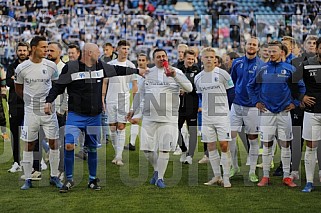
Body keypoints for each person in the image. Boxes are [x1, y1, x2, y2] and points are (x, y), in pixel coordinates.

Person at [45, 43, 146, 193]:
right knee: (68, 145)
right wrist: (49, 100)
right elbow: (58, 86)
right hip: (75, 115)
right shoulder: (71, 67)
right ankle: (69, 179)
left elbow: (118, 70)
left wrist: (138, 70)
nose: (100, 56)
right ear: (89, 53)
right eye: (97, 53)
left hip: (94, 116)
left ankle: (92, 180)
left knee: (92, 148)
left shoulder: (101, 66)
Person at [129, 48, 192, 188]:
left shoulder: (176, 72)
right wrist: (133, 110)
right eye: (158, 56)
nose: (162, 58)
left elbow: (189, 88)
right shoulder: (148, 73)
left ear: (167, 57)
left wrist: (175, 75)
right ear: (154, 59)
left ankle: (160, 178)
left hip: (169, 117)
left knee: (164, 149)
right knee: (146, 149)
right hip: (149, 117)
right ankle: (157, 170)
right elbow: (140, 94)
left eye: (164, 56)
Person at [247, 41, 305, 187]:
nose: (271, 54)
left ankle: (287, 176)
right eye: (269, 51)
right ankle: (266, 176)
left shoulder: (290, 69)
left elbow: (301, 87)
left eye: (274, 51)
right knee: (266, 144)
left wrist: (296, 103)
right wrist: (256, 102)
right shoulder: (262, 68)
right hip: (266, 112)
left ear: (282, 52)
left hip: (284, 112)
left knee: (285, 144)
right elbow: (251, 86)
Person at [15, 36, 63, 190]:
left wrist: (50, 102)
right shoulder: (22, 68)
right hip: (31, 112)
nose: (47, 51)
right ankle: (28, 178)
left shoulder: (51, 66)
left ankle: (54, 176)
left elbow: (56, 86)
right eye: (43, 48)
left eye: (48, 48)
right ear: (34, 48)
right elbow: (18, 88)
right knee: (29, 144)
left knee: (54, 142)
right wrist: (29, 102)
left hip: (49, 111)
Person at [195, 47, 234, 188]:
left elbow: (231, 93)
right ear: (202, 59)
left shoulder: (223, 74)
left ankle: (226, 177)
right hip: (207, 116)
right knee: (210, 145)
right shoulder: (198, 78)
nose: (209, 59)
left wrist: (225, 108)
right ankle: (217, 176)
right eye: (206, 57)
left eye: (212, 57)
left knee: (224, 145)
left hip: (222, 115)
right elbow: (200, 95)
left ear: (215, 59)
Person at [229, 37, 265, 182]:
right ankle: (234, 166)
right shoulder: (237, 62)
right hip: (236, 105)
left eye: (254, 45)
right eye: (249, 44)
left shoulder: (262, 65)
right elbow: (232, 82)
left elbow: (263, 87)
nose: (251, 46)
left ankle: (252, 171)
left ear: (258, 48)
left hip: (252, 108)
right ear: (245, 46)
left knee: (253, 139)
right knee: (230, 137)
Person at [292, 37, 321, 192]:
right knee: (310, 147)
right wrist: (301, 97)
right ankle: (309, 181)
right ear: (317, 49)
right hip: (312, 112)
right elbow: (292, 83)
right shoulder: (306, 64)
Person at [103, 40, 137, 166]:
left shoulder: (131, 66)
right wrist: (103, 98)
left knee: (121, 127)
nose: (126, 51)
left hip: (123, 99)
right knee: (112, 128)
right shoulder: (110, 65)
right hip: (110, 99)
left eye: (127, 48)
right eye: (123, 48)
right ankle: (116, 152)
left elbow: (134, 85)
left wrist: (134, 103)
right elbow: (105, 82)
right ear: (117, 49)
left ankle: (119, 156)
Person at [6, 42, 29, 173]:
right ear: (16, 52)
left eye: (24, 50)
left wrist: (17, 78)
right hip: (14, 104)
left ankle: (37, 161)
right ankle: (16, 162)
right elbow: (9, 81)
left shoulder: (31, 65)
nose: (22, 52)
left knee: (32, 134)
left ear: (28, 51)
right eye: (20, 50)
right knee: (15, 134)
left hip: (28, 103)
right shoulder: (11, 66)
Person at [174, 49, 200, 164]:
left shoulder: (197, 70)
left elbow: (199, 88)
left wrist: (188, 90)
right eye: (188, 58)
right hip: (178, 105)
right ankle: (183, 149)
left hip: (192, 105)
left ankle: (190, 155)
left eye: (192, 59)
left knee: (192, 131)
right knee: (175, 130)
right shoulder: (177, 69)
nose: (190, 61)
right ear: (183, 58)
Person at [47, 41, 68, 181]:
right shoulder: (46, 67)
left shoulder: (64, 69)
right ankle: (54, 167)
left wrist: (63, 109)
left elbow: (67, 92)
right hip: (46, 111)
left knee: (61, 142)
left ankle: (62, 170)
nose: (49, 53)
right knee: (50, 141)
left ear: (59, 52)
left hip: (60, 111)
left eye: (52, 51)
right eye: (48, 51)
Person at [124, 53, 149, 151]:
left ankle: (148, 145)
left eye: (143, 60)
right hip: (137, 101)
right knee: (134, 121)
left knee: (148, 124)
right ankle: (132, 143)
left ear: (147, 61)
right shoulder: (134, 74)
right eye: (140, 60)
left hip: (149, 102)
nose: (141, 62)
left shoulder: (150, 73)